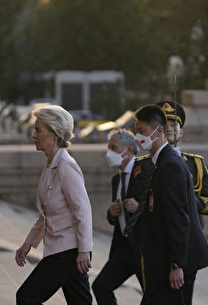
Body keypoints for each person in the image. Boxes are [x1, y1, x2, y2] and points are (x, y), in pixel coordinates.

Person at [131, 104, 208, 304]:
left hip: (177, 262)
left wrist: (177, 264)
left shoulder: (170, 165)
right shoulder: (162, 162)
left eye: (142, 131)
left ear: (158, 131)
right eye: (136, 132)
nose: (138, 137)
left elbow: (178, 218)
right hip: (164, 258)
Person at [15, 105, 93, 305]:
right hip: (63, 248)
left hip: (68, 250)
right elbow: (46, 214)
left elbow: (82, 210)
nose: (33, 135)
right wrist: (28, 243)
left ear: (56, 133)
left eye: (38, 130)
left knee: (26, 297)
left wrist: (84, 250)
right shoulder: (51, 164)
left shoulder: (66, 166)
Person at [92, 128, 153, 304]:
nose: (109, 152)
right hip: (124, 247)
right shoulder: (116, 179)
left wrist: (138, 207)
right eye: (109, 147)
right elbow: (115, 218)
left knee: (152, 297)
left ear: (129, 150)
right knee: (101, 286)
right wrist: (111, 213)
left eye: (114, 147)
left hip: (144, 248)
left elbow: (160, 207)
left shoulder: (146, 170)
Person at [155, 100, 208, 219]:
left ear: (181, 132)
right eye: (164, 125)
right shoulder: (145, 163)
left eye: (174, 125)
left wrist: (188, 200)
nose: (169, 129)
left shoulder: (195, 163)